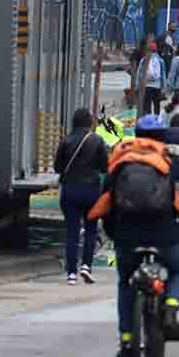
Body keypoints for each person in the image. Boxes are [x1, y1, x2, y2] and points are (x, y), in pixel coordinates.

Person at [88, 114, 179, 357]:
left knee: (125, 282)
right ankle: (171, 307)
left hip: (127, 235)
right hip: (165, 234)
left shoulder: (121, 162)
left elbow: (106, 200)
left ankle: (128, 341)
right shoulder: (171, 161)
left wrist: (113, 232)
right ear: (163, 136)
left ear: (137, 136)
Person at [53, 108, 109, 285]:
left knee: (72, 232)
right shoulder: (97, 140)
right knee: (91, 229)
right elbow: (104, 167)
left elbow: (57, 167)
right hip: (92, 191)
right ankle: (86, 266)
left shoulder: (66, 141)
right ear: (90, 122)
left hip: (70, 190)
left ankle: (71, 273)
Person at [135, 39, 165, 117]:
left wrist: (137, 86)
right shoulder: (160, 60)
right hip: (156, 87)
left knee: (147, 106)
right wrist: (163, 87)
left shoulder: (143, 60)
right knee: (156, 106)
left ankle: (148, 123)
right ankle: (157, 121)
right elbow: (163, 75)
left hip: (146, 86)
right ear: (156, 50)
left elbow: (139, 73)